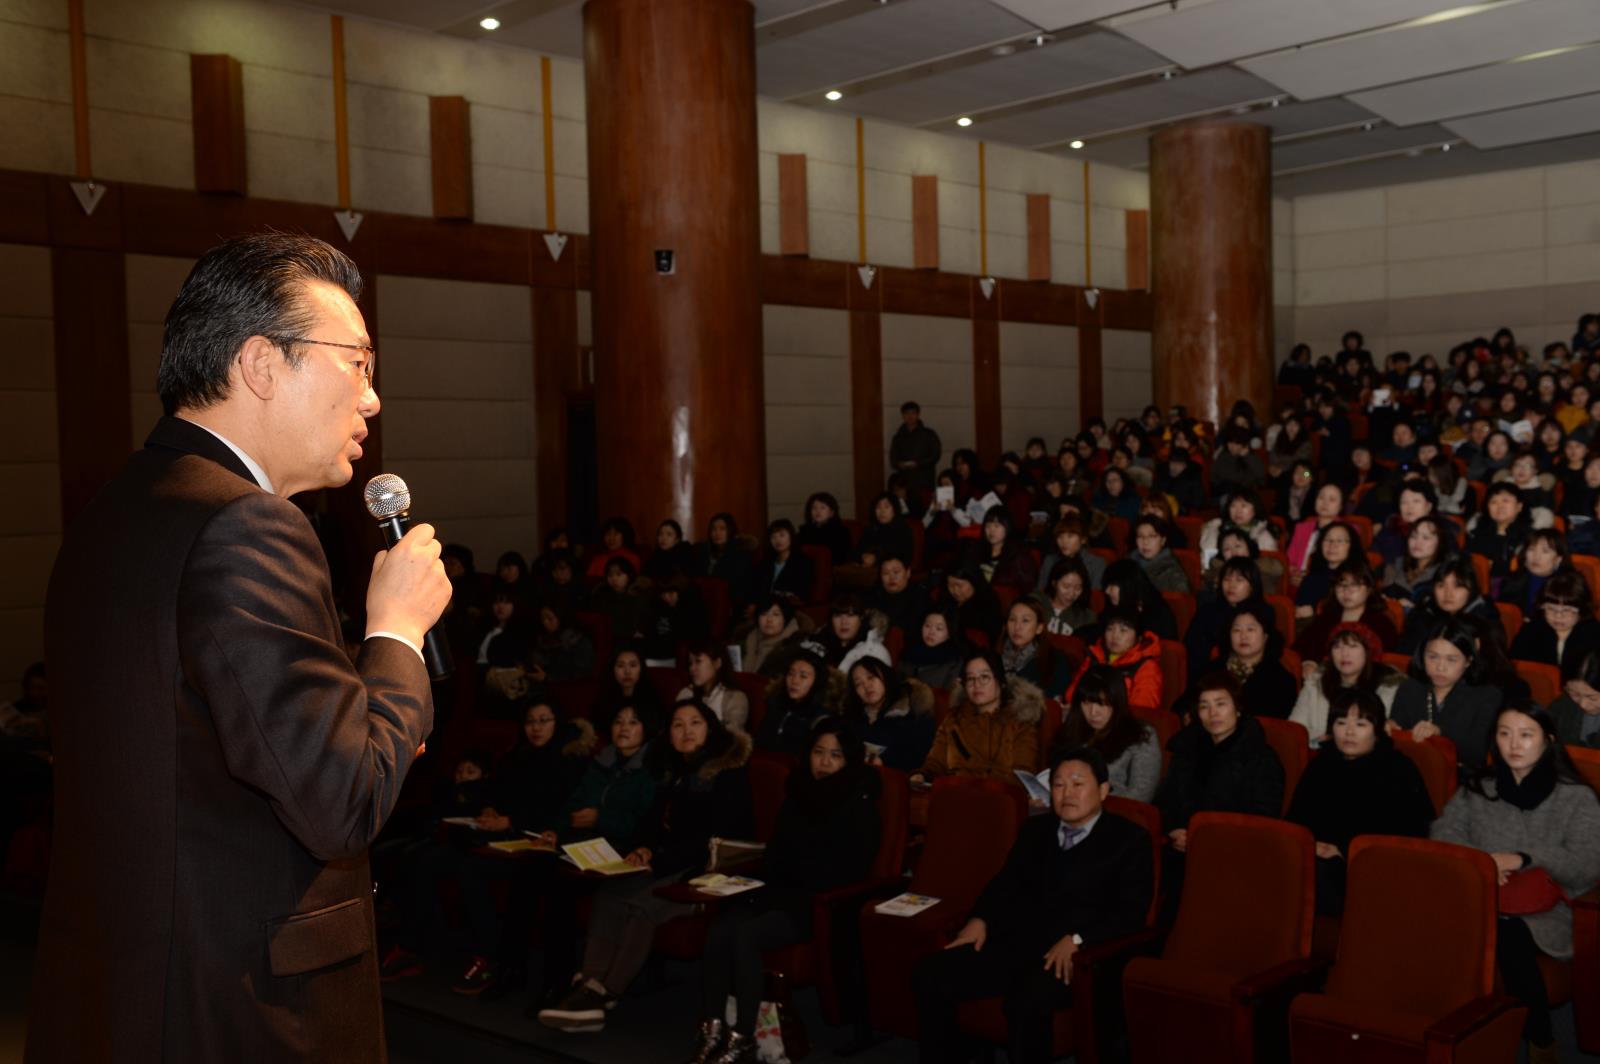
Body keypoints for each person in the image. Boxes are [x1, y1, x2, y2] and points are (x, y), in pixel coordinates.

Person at [29, 234, 449, 1061]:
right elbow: (340, 801)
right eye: (357, 362)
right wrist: (396, 630)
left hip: (124, 986)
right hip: (240, 1011)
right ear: (261, 363)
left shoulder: (120, 510)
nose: (372, 398)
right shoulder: (248, 526)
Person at [910, 747, 1153, 1064]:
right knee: (930, 973)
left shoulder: (1130, 840)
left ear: (1104, 790)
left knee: (1026, 1001)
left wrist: (1080, 939)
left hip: (1073, 958)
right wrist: (980, 919)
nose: (1066, 793)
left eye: (1078, 784)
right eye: (1058, 784)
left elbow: (1130, 913)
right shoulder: (1036, 831)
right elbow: (1004, 884)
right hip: (1017, 944)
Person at [538, 699, 754, 1034]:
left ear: (710, 728)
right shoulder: (673, 769)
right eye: (678, 725)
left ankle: (605, 994)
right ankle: (588, 984)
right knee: (610, 893)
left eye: (695, 723)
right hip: (669, 863)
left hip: (706, 874)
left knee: (642, 907)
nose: (686, 732)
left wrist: (657, 857)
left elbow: (709, 839)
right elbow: (653, 822)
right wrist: (642, 848)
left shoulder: (727, 774)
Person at [689, 718, 882, 1064]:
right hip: (780, 889)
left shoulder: (860, 798)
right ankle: (714, 1028)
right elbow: (777, 850)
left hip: (818, 902)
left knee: (747, 934)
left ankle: (744, 1036)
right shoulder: (799, 790)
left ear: (849, 760)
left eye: (835, 755)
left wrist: (796, 872)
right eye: (818, 752)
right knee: (721, 928)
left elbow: (851, 867)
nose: (824, 762)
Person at [1431, 704, 1600, 1061]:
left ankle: (1541, 1040)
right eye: (1505, 734)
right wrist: (1484, 863)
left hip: (1548, 909)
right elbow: (1443, 833)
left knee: (1508, 931)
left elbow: (1588, 865)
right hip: (1479, 894)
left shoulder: (1576, 797)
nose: (1514, 744)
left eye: (1526, 735)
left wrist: (1524, 857)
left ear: (1548, 741)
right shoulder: (1479, 787)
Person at [1287, 688, 1435, 915]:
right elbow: (1295, 820)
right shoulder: (1321, 765)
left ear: (1377, 731)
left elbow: (1412, 834)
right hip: (1315, 861)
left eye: (1360, 725)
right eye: (1341, 722)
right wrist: (1310, 845)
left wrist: (1343, 851)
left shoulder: (1398, 769)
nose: (1349, 732)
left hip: (1371, 869)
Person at [1389, 618, 1503, 773]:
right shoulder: (1410, 688)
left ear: (1468, 661)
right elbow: (1397, 731)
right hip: (1409, 772)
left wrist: (1440, 733)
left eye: (1451, 659)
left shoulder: (1487, 696)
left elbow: (1477, 752)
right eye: (1433, 657)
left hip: (1461, 779)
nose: (1440, 667)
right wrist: (1390, 727)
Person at [913, 649, 1042, 785]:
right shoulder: (954, 718)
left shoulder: (1021, 720)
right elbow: (935, 763)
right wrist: (921, 775)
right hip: (957, 795)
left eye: (984, 677)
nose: (976, 684)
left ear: (1001, 682)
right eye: (970, 679)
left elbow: (1023, 774)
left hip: (1000, 798)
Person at [1040, 665, 1161, 803]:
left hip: (1114, 815)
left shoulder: (1141, 735)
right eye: (1086, 703)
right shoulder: (1072, 728)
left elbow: (1140, 796)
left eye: (1102, 704)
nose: (1093, 712)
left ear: (1117, 703)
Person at [1290, 623, 1402, 741]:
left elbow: (1381, 734)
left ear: (1368, 652)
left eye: (1353, 646)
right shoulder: (1315, 682)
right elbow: (1295, 730)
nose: (1344, 654)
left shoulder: (1388, 687)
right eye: (1337, 647)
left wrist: (1334, 739)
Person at [843, 655, 937, 773]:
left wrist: (884, 763)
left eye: (871, 677)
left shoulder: (914, 712)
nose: (866, 686)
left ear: (885, 676)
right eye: (858, 684)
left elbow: (920, 759)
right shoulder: (853, 719)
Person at [1060, 605, 1163, 711]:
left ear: (1138, 638)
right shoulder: (1095, 656)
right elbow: (1071, 695)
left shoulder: (1147, 667)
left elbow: (1142, 710)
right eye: (1110, 629)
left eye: (1123, 630)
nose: (1115, 636)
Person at [1397, 554, 1504, 655]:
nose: (1448, 593)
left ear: (1472, 589)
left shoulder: (1485, 622)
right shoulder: (1424, 613)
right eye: (1441, 585)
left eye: (1458, 586)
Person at [1293, 560, 1398, 660]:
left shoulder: (1381, 624)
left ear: (1369, 590)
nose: (1347, 591)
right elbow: (1299, 649)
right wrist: (1308, 662)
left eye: (1355, 585)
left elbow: (1389, 661)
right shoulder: (1326, 618)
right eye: (1341, 585)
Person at [756, 648, 844, 760]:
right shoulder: (775, 704)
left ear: (817, 682)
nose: (794, 681)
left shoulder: (822, 719)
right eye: (791, 674)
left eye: (803, 676)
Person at [1509, 569, 1600, 671]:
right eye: (1551, 608)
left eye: (1567, 610)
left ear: (1582, 610)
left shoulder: (1595, 635)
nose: (1558, 616)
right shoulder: (1530, 631)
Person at [676, 642, 750, 732]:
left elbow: (731, 736)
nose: (692, 668)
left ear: (717, 663)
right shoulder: (686, 694)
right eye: (690, 663)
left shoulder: (735, 697)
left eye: (698, 661)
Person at [898, 603, 966, 692]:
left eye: (939, 628)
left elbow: (948, 698)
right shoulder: (909, 652)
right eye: (927, 626)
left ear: (950, 633)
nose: (931, 632)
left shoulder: (955, 661)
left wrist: (919, 686)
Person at [697, 512, 755, 612]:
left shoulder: (741, 554)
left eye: (722, 529)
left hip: (731, 606)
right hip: (705, 604)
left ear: (730, 531)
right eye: (714, 529)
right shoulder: (704, 552)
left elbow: (741, 587)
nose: (717, 533)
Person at [741, 594, 808, 678]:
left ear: (786, 619)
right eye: (764, 614)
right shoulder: (747, 639)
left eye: (776, 614)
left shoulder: (793, 647)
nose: (769, 619)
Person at [1032, 555, 1097, 636]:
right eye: (1066, 586)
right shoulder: (1035, 602)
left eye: (1078, 588)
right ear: (1054, 583)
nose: (1071, 593)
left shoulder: (1086, 617)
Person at [890, 400, 942, 496]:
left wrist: (918, 464)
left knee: (924, 508)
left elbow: (936, 455)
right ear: (903, 416)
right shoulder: (898, 437)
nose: (910, 416)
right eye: (907, 414)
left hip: (925, 481)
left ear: (918, 415)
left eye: (913, 413)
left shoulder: (929, 434)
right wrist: (899, 464)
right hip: (904, 483)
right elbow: (893, 460)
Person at [1131, 516, 1190, 593]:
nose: (1145, 542)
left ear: (1163, 540)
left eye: (1152, 536)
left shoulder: (1173, 573)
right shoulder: (1128, 564)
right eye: (1140, 536)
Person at [799, 492, 853, 566]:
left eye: (822, 507)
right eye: (814, 507)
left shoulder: (840, 531)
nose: (817, 511)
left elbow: (841, 556)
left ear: (832, 512)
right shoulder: (804, 530)